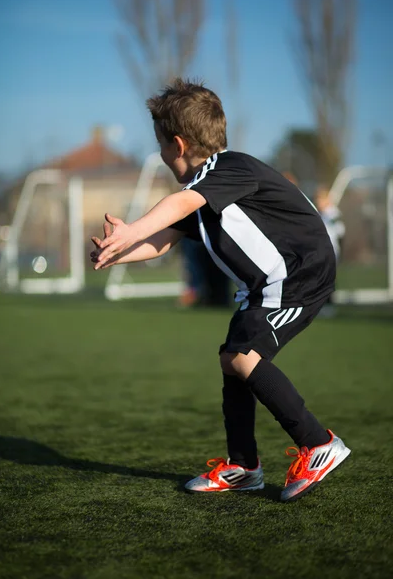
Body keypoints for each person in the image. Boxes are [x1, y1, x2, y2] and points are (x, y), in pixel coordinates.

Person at [91, 79, 351, 503]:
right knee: (232, 359)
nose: (160, 155)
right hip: (267, 286)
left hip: (300, 277)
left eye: (160, 145)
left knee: (242, 356)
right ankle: (244, 466)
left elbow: (177, 207)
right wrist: (116, 253)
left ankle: (318, 443)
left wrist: (133, 228)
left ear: (177, 144)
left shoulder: (229, 170)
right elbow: (167, 237)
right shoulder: (208, 193)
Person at [314, 186, 346, 317]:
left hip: (331, 252)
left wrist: (338, 254)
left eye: (320, 199)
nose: (318, 202)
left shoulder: (333, 214)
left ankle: (329, 306)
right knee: (320, 279)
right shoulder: (320, 214)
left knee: (328, 279)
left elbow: (341, 233)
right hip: (321, 252)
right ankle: (321, 305)